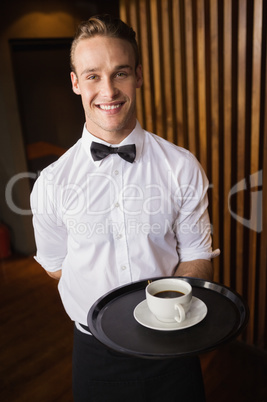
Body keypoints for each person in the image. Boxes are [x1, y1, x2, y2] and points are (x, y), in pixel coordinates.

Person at [30, 14, 220, 402]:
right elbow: (56, 266)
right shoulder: (51, 182)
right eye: (93, 75)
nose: (108, 90)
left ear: (138, 76)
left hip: (174, 351)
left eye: (120, 73)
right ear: (75, 83)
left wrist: (168, 306)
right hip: (95, 356)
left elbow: (198, 254)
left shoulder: (182, 166)